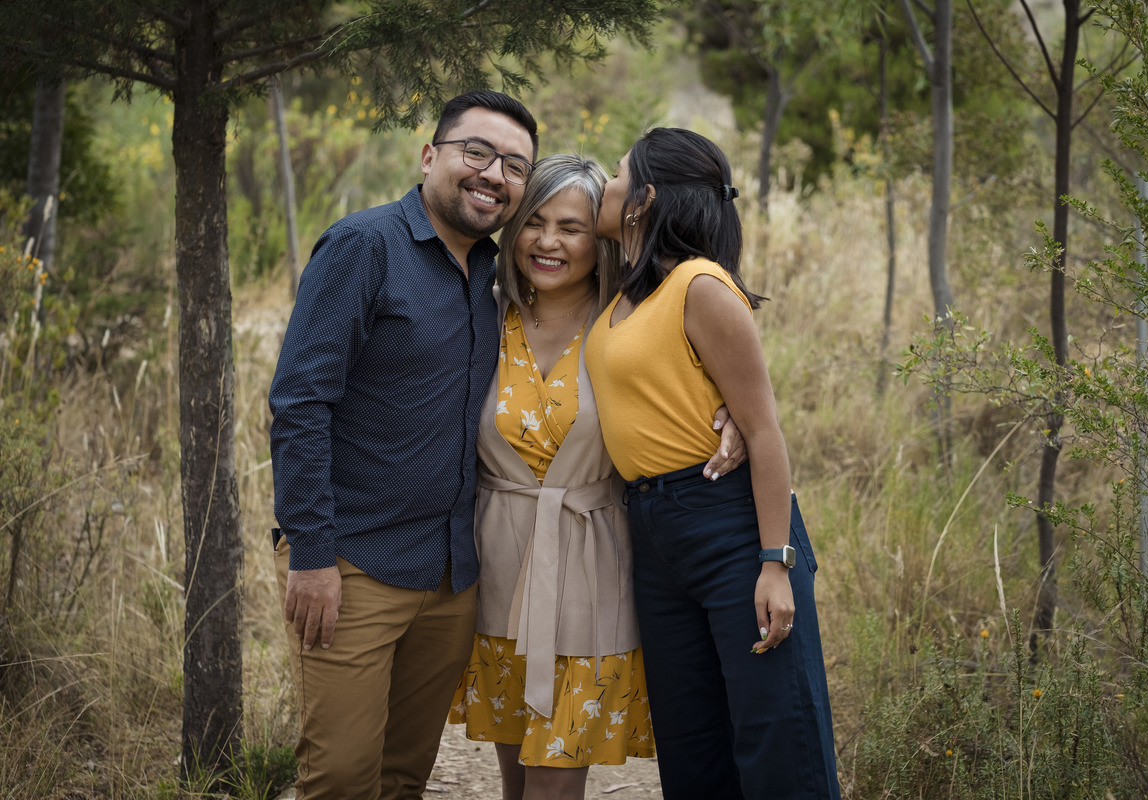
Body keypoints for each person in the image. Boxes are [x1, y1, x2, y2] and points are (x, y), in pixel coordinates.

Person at [447, 153, 746, 800]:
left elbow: (718, 370)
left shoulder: (632, 322)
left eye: (573, 227)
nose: (548, 242)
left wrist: (736, 418)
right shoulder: (483, 315)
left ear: (603, 236)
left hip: (590, 568)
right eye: (535, 222)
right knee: (515, 784)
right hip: (496, 571)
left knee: (555, 785)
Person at [268, 90, 538, 800]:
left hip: (451, 575)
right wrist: (313, 555)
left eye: (514, 165)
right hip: (353, 566)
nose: (493, 174)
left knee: (401, 777)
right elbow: (299, 403)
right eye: (476, 153)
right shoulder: (365, 246)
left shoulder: (498, 272)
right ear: (430, 156)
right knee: (341, 778)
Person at [585, 128, 842, 799]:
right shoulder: (620, 298)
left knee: (777, 737)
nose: (602, 190)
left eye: (615, 177)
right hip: (652, 530)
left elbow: (763, 430)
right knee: (691, 744)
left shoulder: (700, 284)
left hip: (728, 525)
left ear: (642, 198)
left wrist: (774, 563)